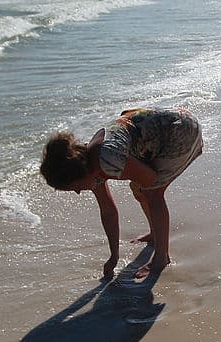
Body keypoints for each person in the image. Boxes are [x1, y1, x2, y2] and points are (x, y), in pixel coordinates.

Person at [40, 107, 203, 279]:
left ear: (79, 174)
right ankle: (155, 234)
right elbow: (108, 211)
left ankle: (161, 258)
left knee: (151, 192)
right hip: (160, 127)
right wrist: (114, 256)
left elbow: (151, 179)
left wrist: (128, 174)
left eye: (75, 188)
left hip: (181, 129)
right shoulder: (87, 162)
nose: (79, 192)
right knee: (139, 189)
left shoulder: (107, 160)